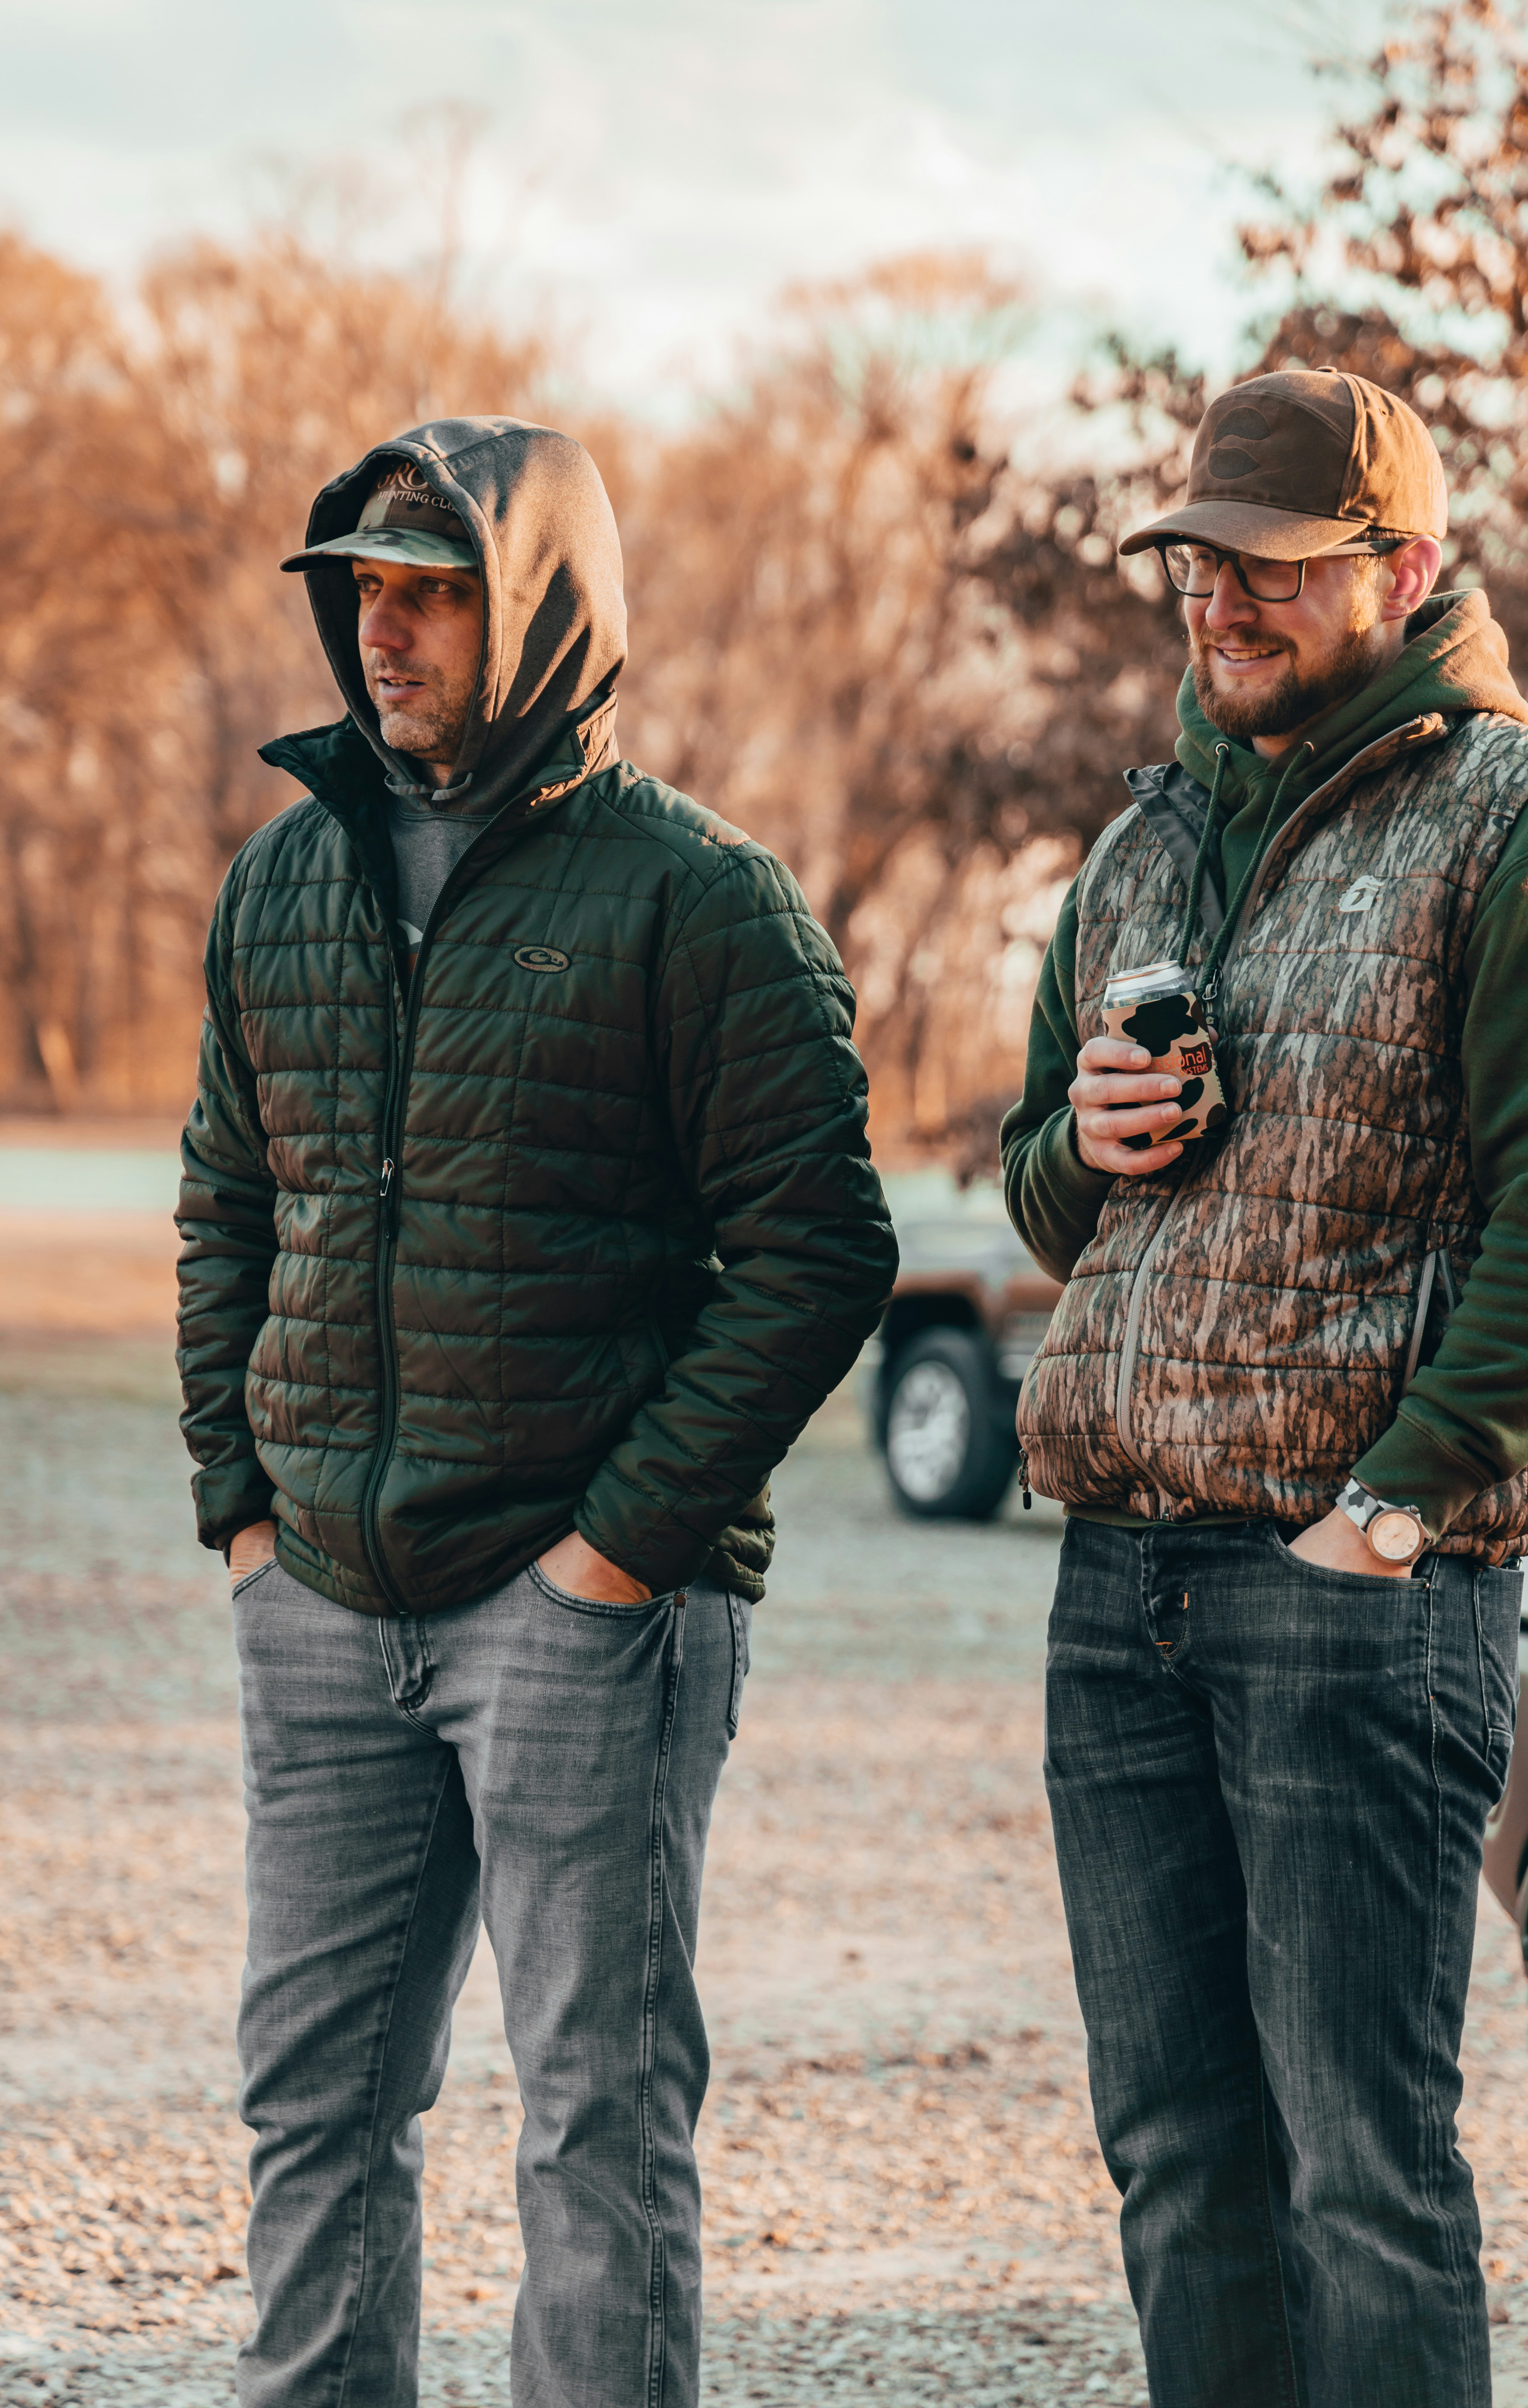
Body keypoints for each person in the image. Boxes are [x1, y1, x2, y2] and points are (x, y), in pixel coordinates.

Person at [176, 418, 897, 2408]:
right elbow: (232, 1200)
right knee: (315, 2111)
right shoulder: (282, 881)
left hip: (584, 1620)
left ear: (543, 613)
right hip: (319, 1598)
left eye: (433, 591)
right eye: (365, 595)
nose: (387, 634)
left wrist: (618, 1550)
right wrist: (245, 1510)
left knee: (595, 2134)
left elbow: (822, 1252)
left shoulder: (701, 901)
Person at [1002, 368, 1528, 2406]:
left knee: (1362, 2176)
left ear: (1403, 567)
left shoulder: (1527, 825)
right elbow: (1033, 1189)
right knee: (1176, 2162)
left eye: (1267, 572)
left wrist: (1393, 1510)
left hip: (1352, 1596)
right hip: (1120, 1590)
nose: (1217, 608)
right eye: (1196, 569)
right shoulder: (1138, 845)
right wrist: (1084, 1137)